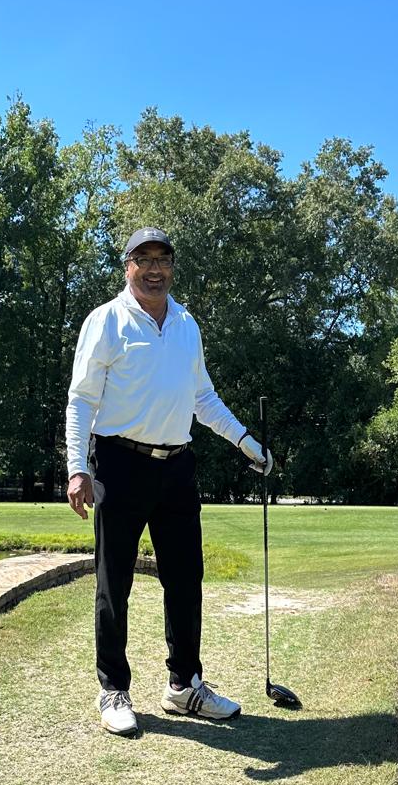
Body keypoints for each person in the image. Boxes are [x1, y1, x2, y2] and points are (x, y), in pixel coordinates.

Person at [65, 226, 271, 736]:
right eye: (144, 259)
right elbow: (82, 399)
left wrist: (246, 442)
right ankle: (113, 688)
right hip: (119, 463)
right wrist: (77, 467)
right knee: (115, 581)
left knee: (185, 578)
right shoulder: (106, 320)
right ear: (127, 267)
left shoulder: (185, 323)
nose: (154, 269)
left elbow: (203, 398)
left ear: (172, 268)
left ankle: (184, 686)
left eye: (163, 259)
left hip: (177, 466)